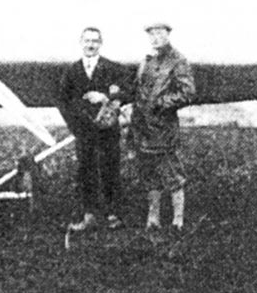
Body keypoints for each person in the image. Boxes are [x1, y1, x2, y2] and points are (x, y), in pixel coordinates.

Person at [57, 27, 134, 231]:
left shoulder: (113, 68)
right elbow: (62, 101)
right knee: (85, 170)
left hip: (108, 130)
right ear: (81, 42)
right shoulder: (72, 71)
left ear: (101, 44)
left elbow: (129, 91)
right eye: (87, 41)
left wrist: (106, 97)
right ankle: (88, 215)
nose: (90, 45)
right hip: (84, 131)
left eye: (94, 41)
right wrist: (75, 126)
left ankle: (113, 214)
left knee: (110, 168)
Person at [132, 22, 196, 231]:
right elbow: (138, 90)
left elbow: (188, 92)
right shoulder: (146, 61)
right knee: (149, 173)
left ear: (168, 34)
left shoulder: (178, 60)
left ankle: (178, 220)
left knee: (172, 173)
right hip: (144, 127)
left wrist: (162, 103)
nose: (155, 38)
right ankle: (153, 219)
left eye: (159, 33)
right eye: (151, 34)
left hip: (163, 127)